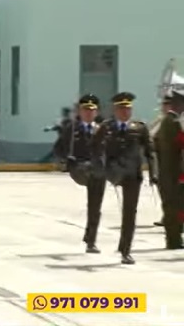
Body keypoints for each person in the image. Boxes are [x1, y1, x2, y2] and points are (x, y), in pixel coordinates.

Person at [91, 92, 157, 265]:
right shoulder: (107, 127)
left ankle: (125, 250)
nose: (125, 112)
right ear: (115, 110)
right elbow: (94, 148)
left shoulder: (139, 127)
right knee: (96, 204)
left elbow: (150, 152)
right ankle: (91, 239)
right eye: (121, 108)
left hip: (132, 175)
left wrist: (153, 174)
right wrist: (100, 167)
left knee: (129, 213)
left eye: (128, 108)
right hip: (112, 172)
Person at [53, 94, 106, 253]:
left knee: (95, 206)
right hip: (79, 168)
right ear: (80, 111)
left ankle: (91, 240)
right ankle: (90, 239)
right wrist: (66, 159)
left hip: (97, 170)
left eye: (92, 110)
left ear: (96, 112)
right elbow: (58, 147)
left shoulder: (102, 129)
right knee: (90, 180)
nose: (88, 113)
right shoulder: (72, 128)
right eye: (85, 110)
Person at [155, 92, 184, 249]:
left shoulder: (168, 121)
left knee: (174, 206)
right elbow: (179, 143)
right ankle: (173, 240)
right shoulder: (172, 122)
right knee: (173, 207)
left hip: (168, 171)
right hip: (172, 172)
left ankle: (175, 238)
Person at [150, 96, 172, 226]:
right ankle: (167, 215)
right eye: (164, 105)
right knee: (163, 190)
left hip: (172, 161)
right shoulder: (159, 120)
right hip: (159, 161)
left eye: (167, 105)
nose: (164, 107)